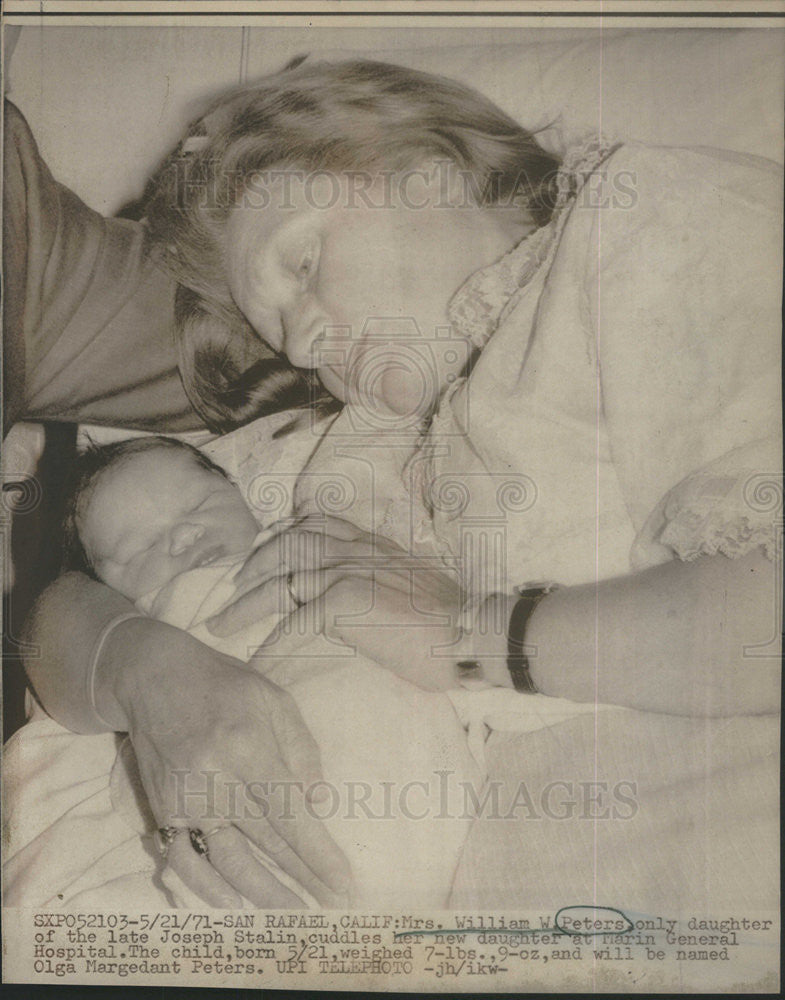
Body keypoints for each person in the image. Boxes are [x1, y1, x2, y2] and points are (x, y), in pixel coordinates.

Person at [11, 58, 781, 907]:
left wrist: (473, 634)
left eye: (302, 266)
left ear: (429, 171)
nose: (300, 346)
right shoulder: (358, 438)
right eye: (272, 326)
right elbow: (62, 607)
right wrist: (146, 665)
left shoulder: (653, 224)